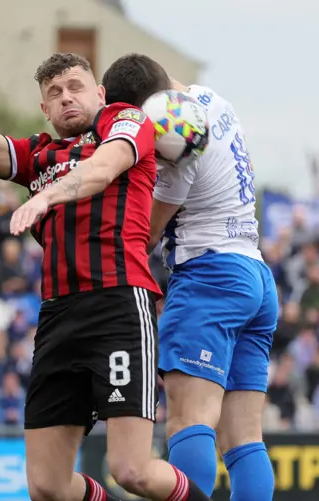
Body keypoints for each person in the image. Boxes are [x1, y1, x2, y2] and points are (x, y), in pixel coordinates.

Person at [0, 33, 212, 501]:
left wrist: (46, 194)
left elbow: (102, 170)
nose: (66, 96)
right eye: (55, 92)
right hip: (57, 320)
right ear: (45, 110)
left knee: (131, 470)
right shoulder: (39, 155)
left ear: (99, 94)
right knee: (46, 487)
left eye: (75, 86)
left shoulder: (127, 121)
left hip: (118, 307)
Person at [145, 78, 276, 500]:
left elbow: (145, 235)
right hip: (254, 274)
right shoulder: (213, 101)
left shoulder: (175, 145)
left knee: (188, 420)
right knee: (243, 439)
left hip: (209, 276)